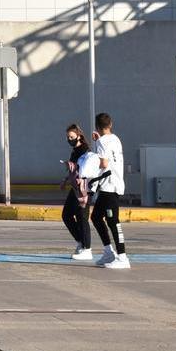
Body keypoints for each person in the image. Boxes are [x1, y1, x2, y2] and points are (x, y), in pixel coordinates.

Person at [90, 113, 130, 269]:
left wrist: (91, 177)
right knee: (96, 217)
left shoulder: (101, 142)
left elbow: (104, 162)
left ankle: (122, 257)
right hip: (114, 184)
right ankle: (108, 252)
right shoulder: (115, 139)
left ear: (97, 127)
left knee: (113, 222)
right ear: (110, 124)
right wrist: (97, 142)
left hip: (109, 186)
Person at [60, 124, 93, 260]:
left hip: (83, 188)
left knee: (82, 217)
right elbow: (73, 168)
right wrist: (65, 180)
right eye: (68, 137)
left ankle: (87, 248)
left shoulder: (85, 150)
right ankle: (81, 242)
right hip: (75, 187)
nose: (69, 139)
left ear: (79, 136)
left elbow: (85, 168)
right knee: (67, 215)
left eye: (72, 137)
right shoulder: (75, 150)